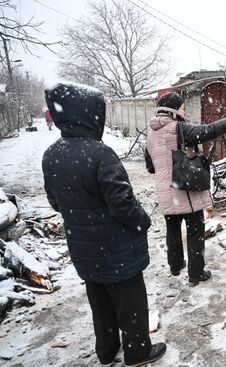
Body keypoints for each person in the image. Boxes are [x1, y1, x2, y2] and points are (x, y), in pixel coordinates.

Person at [42, 82, 166, 366]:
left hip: (84, 248)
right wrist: (142, 221)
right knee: (131, 302)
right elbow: (122, 203)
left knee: (100, 301)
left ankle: (107, 351)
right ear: (88, 114)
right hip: (117, 247)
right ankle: (137, 352)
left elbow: (55, 202)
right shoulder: (100, 153)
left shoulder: (52, 154)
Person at [145, 92, 226, 285]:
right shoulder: (179, 128)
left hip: (166, 192)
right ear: (174, 110)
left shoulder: (151, 135)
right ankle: (196, 274)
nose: (184, 111)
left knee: (173, 229)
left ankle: (175, 266)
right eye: (182, 107)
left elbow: (150, 167)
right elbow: (208, 131)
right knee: (195, 231)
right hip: (186, 190)